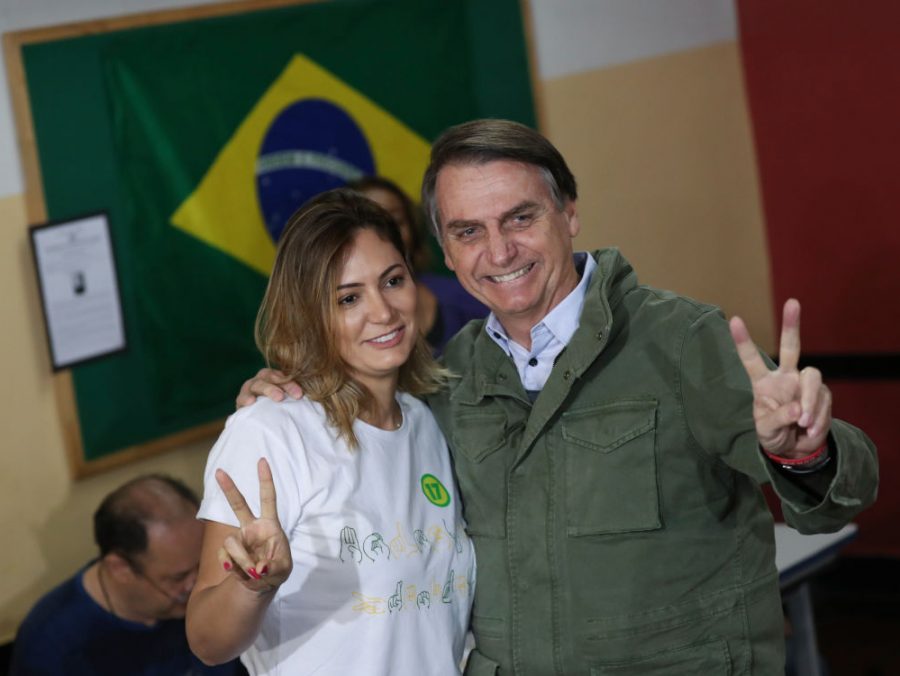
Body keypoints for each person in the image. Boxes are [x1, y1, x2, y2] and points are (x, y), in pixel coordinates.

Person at [237, 119, 878, 674]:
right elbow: (369, 423)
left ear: (569, 214)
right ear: (446, 252)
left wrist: (804, 452)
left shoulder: (680, 340)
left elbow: (839, 499)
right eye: (468, 231)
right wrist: (287, 392)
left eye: (520, 217)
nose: (499, 251)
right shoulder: (447, 380)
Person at [186, 190, 475, 675]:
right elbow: (207, 643)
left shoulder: (425, 422)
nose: (383, 312)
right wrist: (252, 585)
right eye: (348, 298)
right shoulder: (269, 431)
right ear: (309, 314)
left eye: (393, 280)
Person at [10, 475, 242, 676]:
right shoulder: (51, 643)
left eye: (202, 565)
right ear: (120, 568)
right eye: (178, 578)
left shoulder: (208, 596)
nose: (196, 584)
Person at [348, 176, 488, 355]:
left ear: (413, 227)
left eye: (395, 222)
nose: (382, 236)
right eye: (348, 299)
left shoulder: (467, 300)